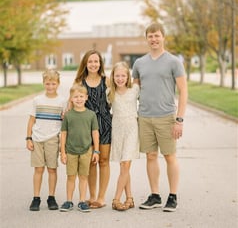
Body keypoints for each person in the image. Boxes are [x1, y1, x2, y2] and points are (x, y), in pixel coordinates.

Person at [132, 23, 188, 212]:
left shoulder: (173, 62)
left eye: (157, 36)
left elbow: (183, 90)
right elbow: (134, 91)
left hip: (166, 117)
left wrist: (179, 120)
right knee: (150, 156)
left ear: (163, 37)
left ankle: (172, 196)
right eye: (150, 36)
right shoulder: (139, 63)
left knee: (170, 156)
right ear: (146, 38)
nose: (154, 39)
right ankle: (154, 195)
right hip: (145, 117)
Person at [73, 49, 112, 208]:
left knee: (103, 160)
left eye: (96, 61)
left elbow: (118, 99)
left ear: (100, 63)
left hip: (104, 124)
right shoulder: (79, 82)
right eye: (90, 61)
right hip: (86, 126)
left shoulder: (107, 81)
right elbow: (72, 102)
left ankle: (101, 198)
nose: (93, 64)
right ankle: (92, 196)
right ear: (85, 63)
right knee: (90, 162)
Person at [26, 69, 67, 211]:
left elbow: (64, 124)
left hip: (53, 139)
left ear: (58, 84)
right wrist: (28, 138)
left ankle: (51, 197)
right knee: (38, 169)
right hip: (37, 139)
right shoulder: (37, 100)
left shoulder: (62, 101)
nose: (50, 87)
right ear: (44, 83)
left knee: (52, 169)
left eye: (53, 84)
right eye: (48, 84)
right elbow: (31, 120)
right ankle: (36, 198)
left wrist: (63, 145)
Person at [60, 84, 100, 212]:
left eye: (81, 96)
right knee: (71, 177)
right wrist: (62, 152)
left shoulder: (91, 115)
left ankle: (82, 201)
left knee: (83, 177)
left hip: (86, 151)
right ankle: (69, 201)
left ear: (86, 98)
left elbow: (95, 133)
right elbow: (64, 134)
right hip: (71, 151)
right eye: (75, 97)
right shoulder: (68, 115)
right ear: (71, 99)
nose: (78, 99)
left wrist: (96, 151)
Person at [107, 62, 140, 211]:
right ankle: (130, 198)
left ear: (128, 77)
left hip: (132, 129)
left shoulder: (135, 90)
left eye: (123, 75)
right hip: (118, 131)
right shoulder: (110, 93)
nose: (120, 78)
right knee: (123, 167)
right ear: (112, 77)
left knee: (125, 164)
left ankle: (116, 199)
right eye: (117, 75)